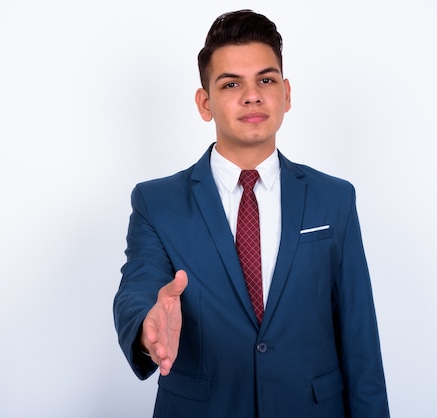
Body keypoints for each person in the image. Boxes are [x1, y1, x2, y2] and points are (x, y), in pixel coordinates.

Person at [113, 9, 389, 418]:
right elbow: (138, 288)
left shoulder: (335, 199)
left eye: (266, 79)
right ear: (204, 103)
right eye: (231, 84)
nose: (252, 95)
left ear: (286, 94)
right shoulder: (157, 202)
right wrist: (147, 325)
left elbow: (359, 339)